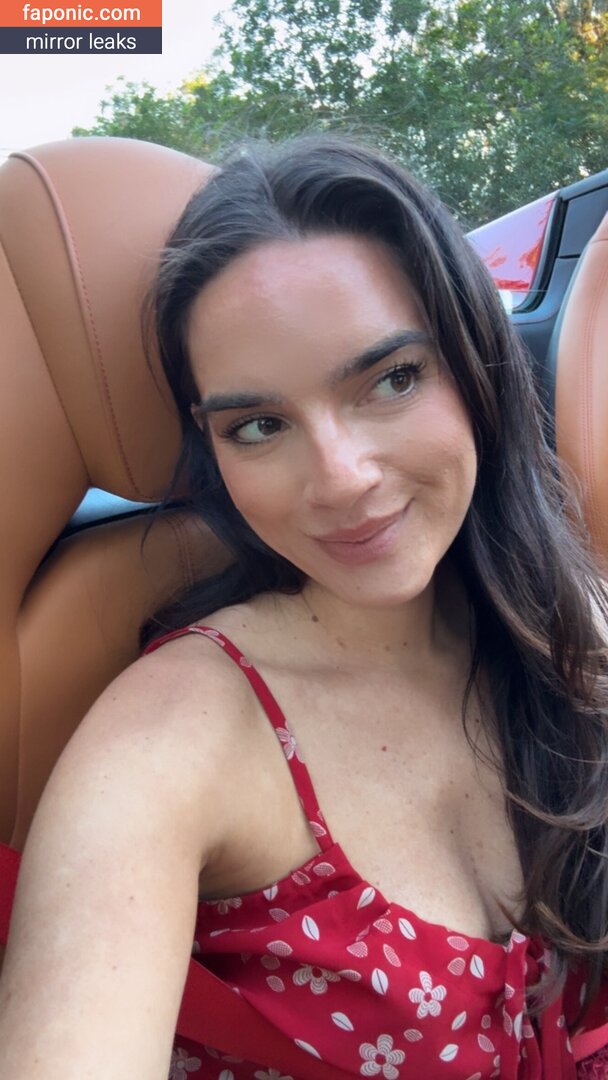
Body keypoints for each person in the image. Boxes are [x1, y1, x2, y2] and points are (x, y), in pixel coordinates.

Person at [0, 134, 607, 1080]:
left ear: (473, 364)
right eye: (259, 425)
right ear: (211, 446)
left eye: (392, 379)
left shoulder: (565, 622)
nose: (341, 479)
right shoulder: (173, 736)